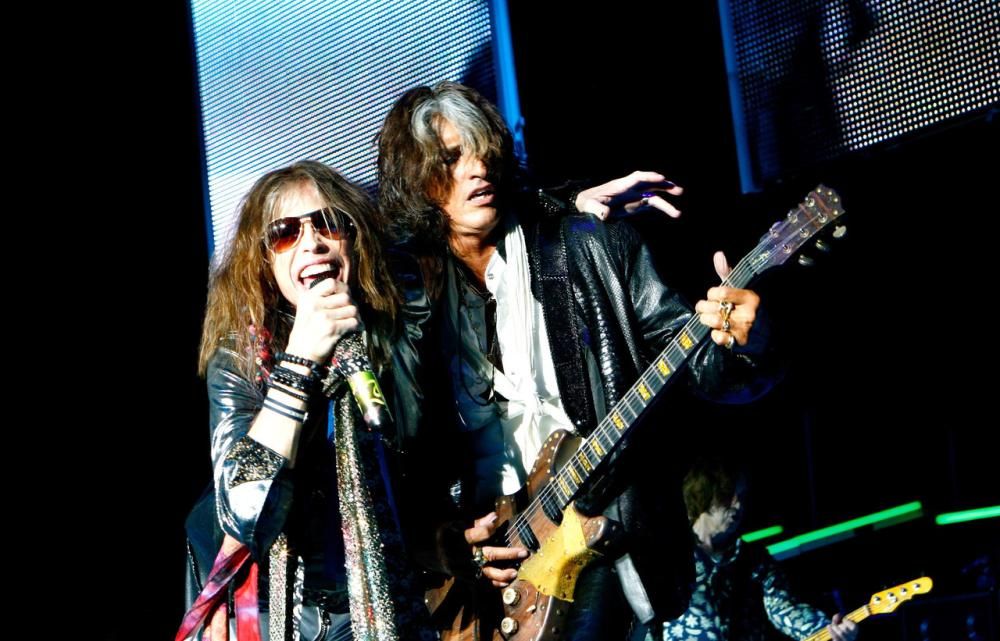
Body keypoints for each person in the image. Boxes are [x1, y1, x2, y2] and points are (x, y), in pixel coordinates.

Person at [376, 81, 777, 639]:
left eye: (483, 152)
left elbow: (701, 367)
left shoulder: (589, 245)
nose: (476, 169)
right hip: (490, 574)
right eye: (450, 159)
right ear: (417, 181)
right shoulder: (405, 307)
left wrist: (746, 342)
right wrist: (446, 546)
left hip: (601, 531)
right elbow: (398, 463)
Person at [178, 161, 429, 641]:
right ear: (264, 261)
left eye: (329, 223)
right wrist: (300, 362)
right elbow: (243, 512)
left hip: (382, 603)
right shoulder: (241, 356)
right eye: (284, 234)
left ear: (354, 240)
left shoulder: (394, 330)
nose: (311, 242)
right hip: (278, 611)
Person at [646, 458, 859, 641]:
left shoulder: (754, 558)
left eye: (742, 496)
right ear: (704, 494)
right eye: (728, 495)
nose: (738, 505)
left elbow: (784, 609)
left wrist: (827, 630)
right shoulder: (670, 553)